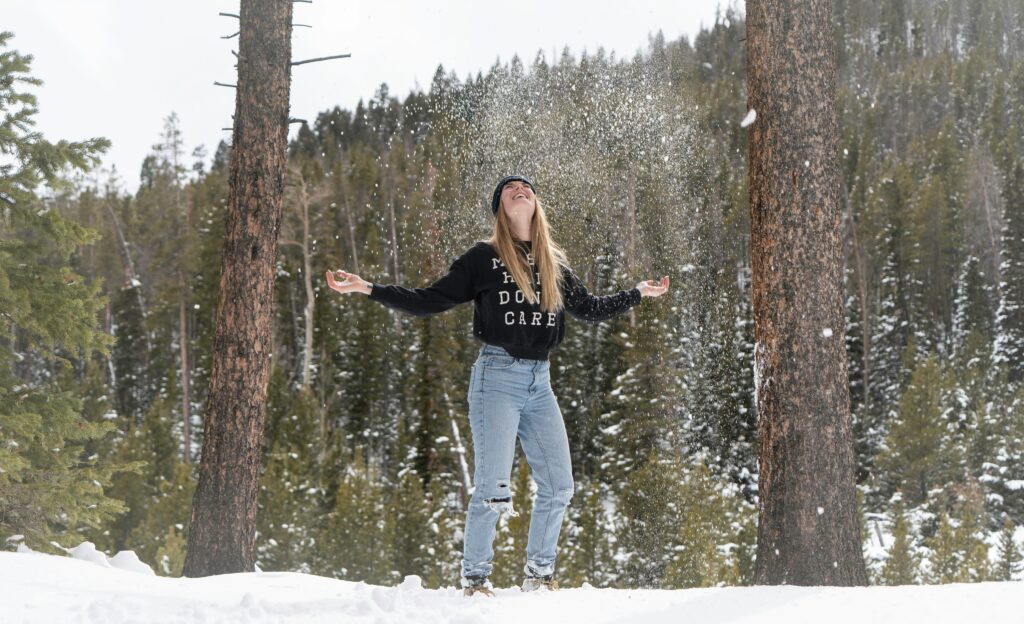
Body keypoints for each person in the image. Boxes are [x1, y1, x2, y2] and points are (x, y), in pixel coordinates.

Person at [325, 174, 669, 596]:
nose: (519, 189)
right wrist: (369, 288)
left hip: (540, 383)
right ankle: (475, 581)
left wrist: (637, 293)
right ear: (500, 211)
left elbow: (590, 309)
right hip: (497, 378)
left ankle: (539, 578)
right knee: (493, 487)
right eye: (509, 189)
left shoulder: (553, 264)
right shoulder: (483, 258)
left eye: (526, 187)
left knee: (560, 485)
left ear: (536, 204)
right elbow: (429, 300)